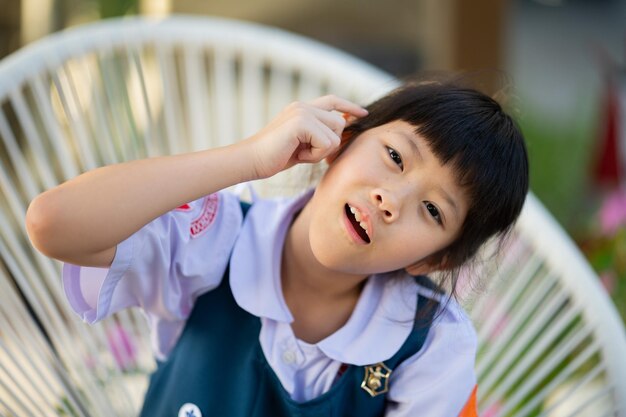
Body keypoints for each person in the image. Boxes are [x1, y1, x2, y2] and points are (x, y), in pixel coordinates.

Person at [26, 79, 529, 417]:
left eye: (434, 210)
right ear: (344, 138)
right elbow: (53, 223)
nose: (390, 200)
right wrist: (247, 157)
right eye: (395, 156)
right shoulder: (217, 239)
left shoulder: (429, 344)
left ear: (437, 259)